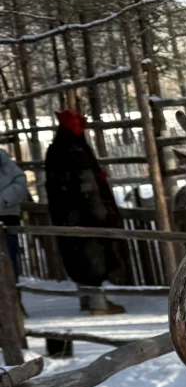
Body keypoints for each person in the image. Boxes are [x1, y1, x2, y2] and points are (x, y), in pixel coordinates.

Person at [44, 108, 126, 313]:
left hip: (63, 214)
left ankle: (86, 300)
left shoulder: (54, 149)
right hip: (84, 213)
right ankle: (98, 304)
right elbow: (87, 186)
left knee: (75, 256)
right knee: (92, 256)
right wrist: (101, 214)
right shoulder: (76, 151)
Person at [0, 146, 28, 281]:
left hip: (7, 218)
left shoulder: (5, 163)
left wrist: (4, 199)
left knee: (9, 258)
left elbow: (21, 183)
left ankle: (13, 291)